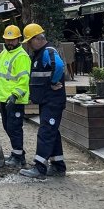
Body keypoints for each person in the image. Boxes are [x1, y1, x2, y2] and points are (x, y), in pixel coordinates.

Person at [19, 23, 67, 180]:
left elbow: (59, 66)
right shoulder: (41, 53)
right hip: (47, 100)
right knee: (52, 131)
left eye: (29, 41)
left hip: (52, 101)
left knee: (45, 132)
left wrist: (53, 82)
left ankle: (40, 168)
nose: (28, 45)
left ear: (38, 39)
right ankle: (58, 166)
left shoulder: (48, 51)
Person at [0, 25, 31, 168]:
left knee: (14, 128)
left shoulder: (21, 56)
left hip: (15, 99)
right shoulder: (4, 54)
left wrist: (15, 96)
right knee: (8, 127)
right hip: (3, 98)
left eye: (12, 40)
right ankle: (18, 154)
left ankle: (18, 156)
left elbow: (24, 80)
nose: (10, 43)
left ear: (18, 39)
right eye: (7, 40)